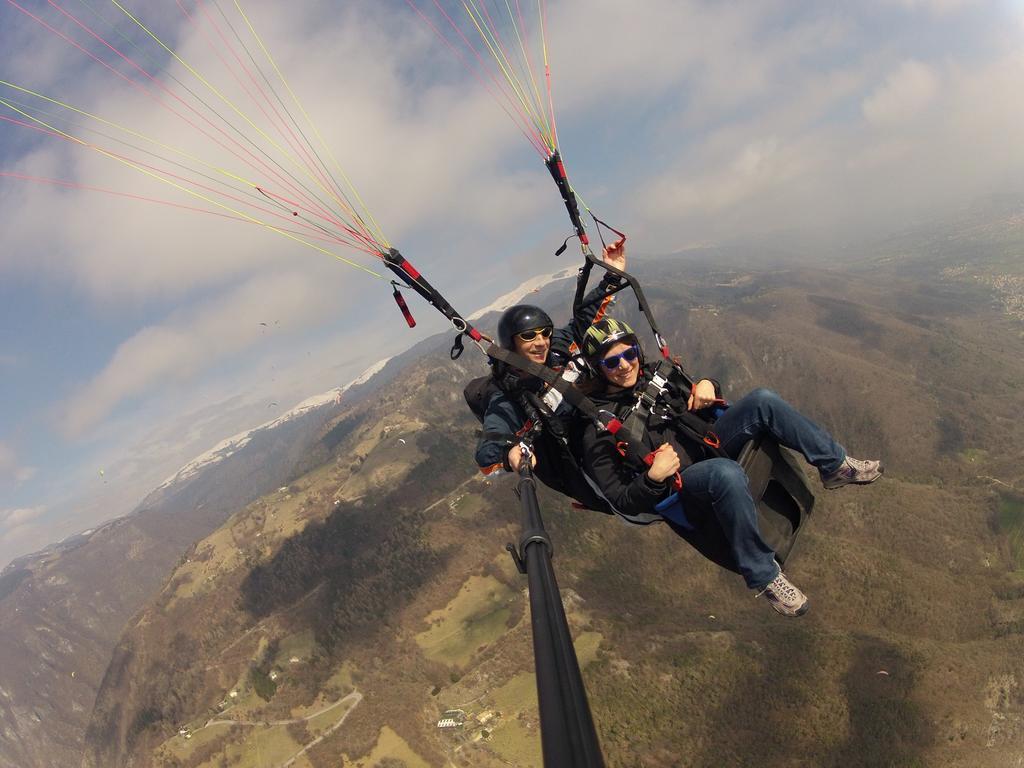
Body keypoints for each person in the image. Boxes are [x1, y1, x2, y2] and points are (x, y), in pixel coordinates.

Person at [578, 316, 883, 617]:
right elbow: (619, 498)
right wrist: (653, 477)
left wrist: (709, 384)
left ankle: (834, 465)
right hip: (683, 484)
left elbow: (701, 397)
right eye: (611, 362)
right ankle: (765, 576)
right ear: (598, 369)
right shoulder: (599, 429)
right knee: (726, 472)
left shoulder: (661, 376)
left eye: (629, 353)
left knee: (763, 400)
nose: (625, 365)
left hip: (709, 443)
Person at [474, 239, 626, 487]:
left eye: (545, 333)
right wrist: (508, 455)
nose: (541, 342)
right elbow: (486, 453)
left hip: (609, 425)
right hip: (590, 461)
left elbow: (582, 322)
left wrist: (612, 274)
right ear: (511, 344)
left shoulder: (555, 353)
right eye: (529, 336)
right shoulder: (509, 398)